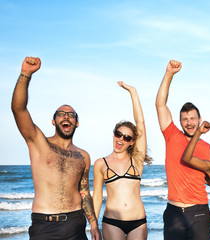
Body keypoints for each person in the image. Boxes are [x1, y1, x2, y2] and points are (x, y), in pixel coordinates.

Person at [11, 56, 101, 240]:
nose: (66, 117)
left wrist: (93, 224)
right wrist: (25, 74)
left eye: (71, 115)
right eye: (61, 114)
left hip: (76, 224)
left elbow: (84, 191)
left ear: (77, 123)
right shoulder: (38, 142)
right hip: (44, 226)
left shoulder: (83, 156)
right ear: (54, 121)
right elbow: (18, 109)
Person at [155, 60, 210, 240]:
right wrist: (169, 74)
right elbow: (160, 105)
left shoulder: (209, 149)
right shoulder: (172, 135)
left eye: (192, 118)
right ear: (180, 122)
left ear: (199, 119)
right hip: (173, 211)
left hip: (199, 211)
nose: (189, 123)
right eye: (185, 119)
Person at [93, 81, 151, 239]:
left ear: (132, 141)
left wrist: (132, 92)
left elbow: (141, 124)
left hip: (138, 222)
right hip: (112, 222)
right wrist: (93, 225)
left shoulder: (137, 160)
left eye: (127, 137)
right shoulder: (100, 163)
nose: (121, 139)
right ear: (114, 134)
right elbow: (97, 196)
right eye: (118, 134)